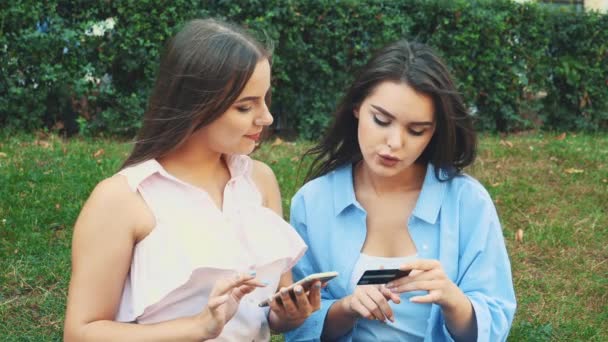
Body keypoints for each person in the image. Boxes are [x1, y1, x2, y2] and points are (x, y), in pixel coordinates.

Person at [64, 18, 321, 341]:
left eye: (265, 99)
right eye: (245, 106)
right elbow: (81, 332)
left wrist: (286, 314)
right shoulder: (124, 198)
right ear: (196, 106)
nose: (266, 117)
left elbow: (269, 308)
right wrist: (198, 327)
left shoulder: (259, 181)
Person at [285, 40, 516, 342]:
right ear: (357, 107)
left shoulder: (467, 202)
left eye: (417, 130)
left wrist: (453, 300)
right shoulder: (312, 202)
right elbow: (298, 326)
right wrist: (347, 308)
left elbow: (494, 322)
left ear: (435, 131)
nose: (395, 142)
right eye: (381, 120)